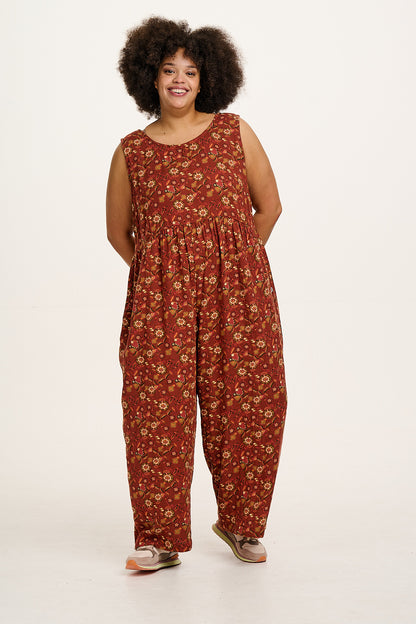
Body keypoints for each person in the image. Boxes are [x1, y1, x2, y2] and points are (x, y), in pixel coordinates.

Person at [106, 16, 288, 572]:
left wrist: (234, 265)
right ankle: (159, 539)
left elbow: (269, 207)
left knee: (247, 402)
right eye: (168, 70)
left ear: (207, 78)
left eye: (190, 70)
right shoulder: (132, 151)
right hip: (160, 303)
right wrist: (164, 276)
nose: (179, 79)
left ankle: (241, 523)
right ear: (150, 77)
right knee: (153, 411)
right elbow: (118, 232)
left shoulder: (234, 132)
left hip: (239, 294)